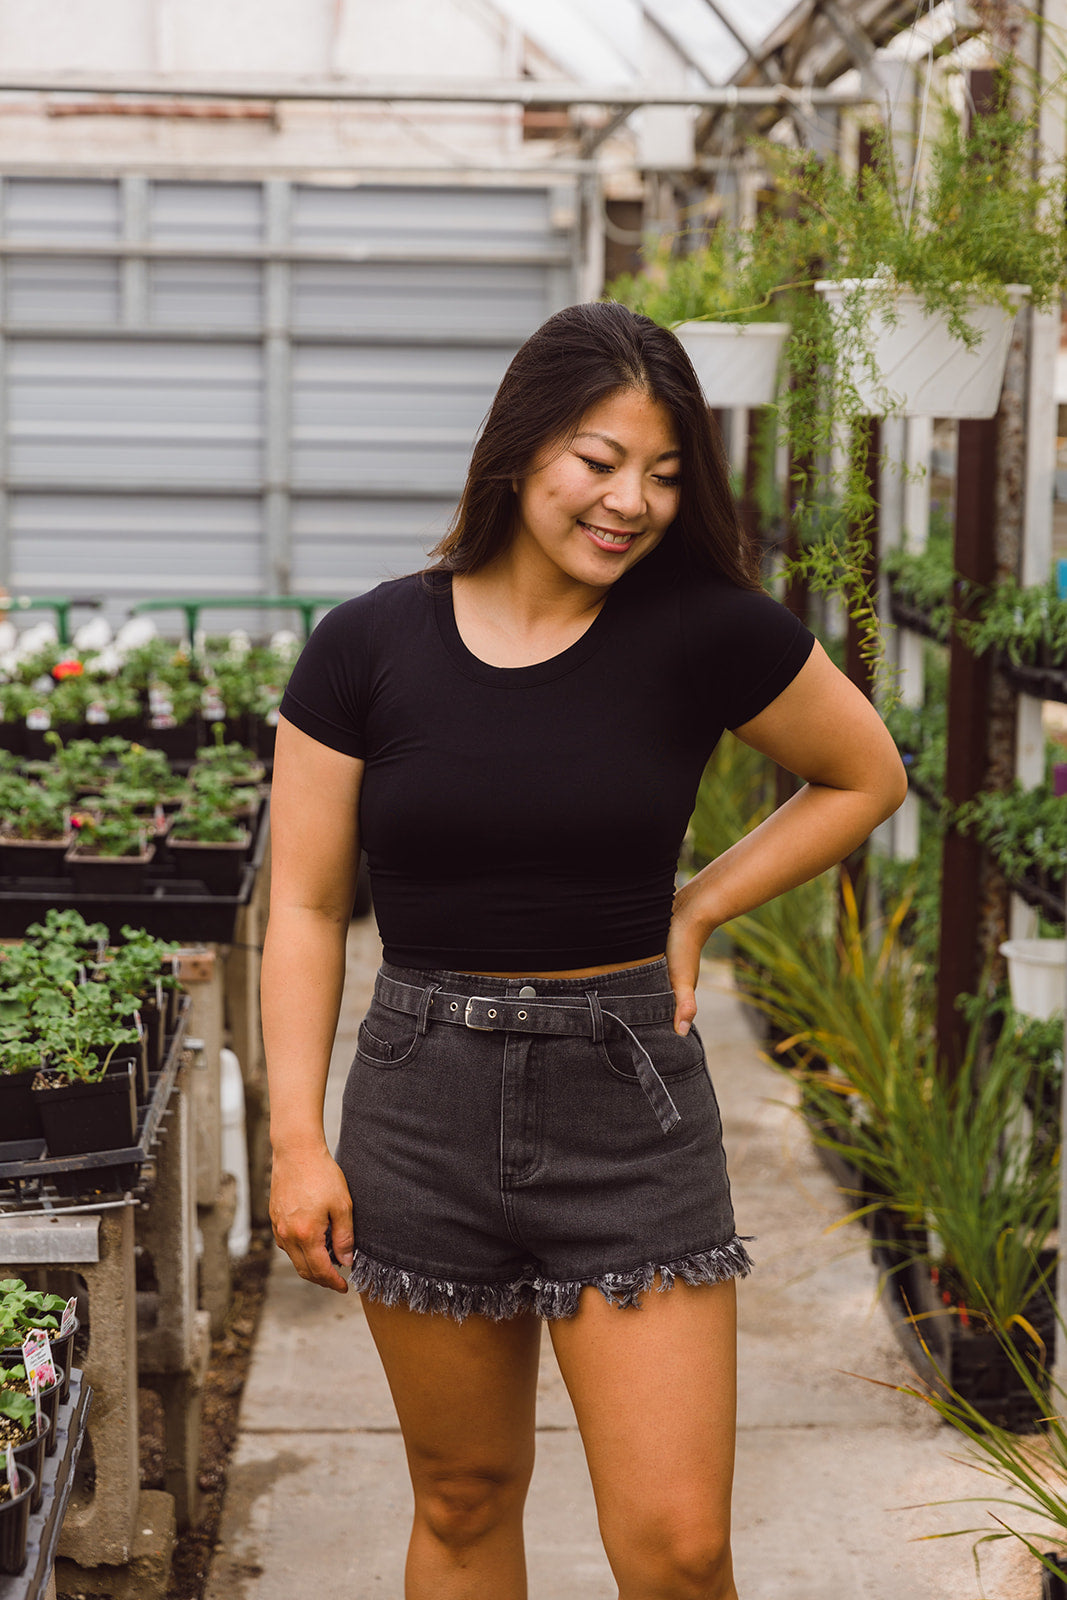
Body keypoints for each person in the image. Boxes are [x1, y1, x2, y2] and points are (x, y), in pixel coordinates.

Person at [261, 300, 907, 1600]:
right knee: (462, 1499)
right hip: (419, 1100)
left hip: (630, 1106)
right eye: (600, 462)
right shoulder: (364, 647)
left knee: (676, 1549)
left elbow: (864, 774)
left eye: (667, 474)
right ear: (520, 450)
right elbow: (308, 907)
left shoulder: (704, 630)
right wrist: (293, 1142)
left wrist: (698, 905)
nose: (633, 502)